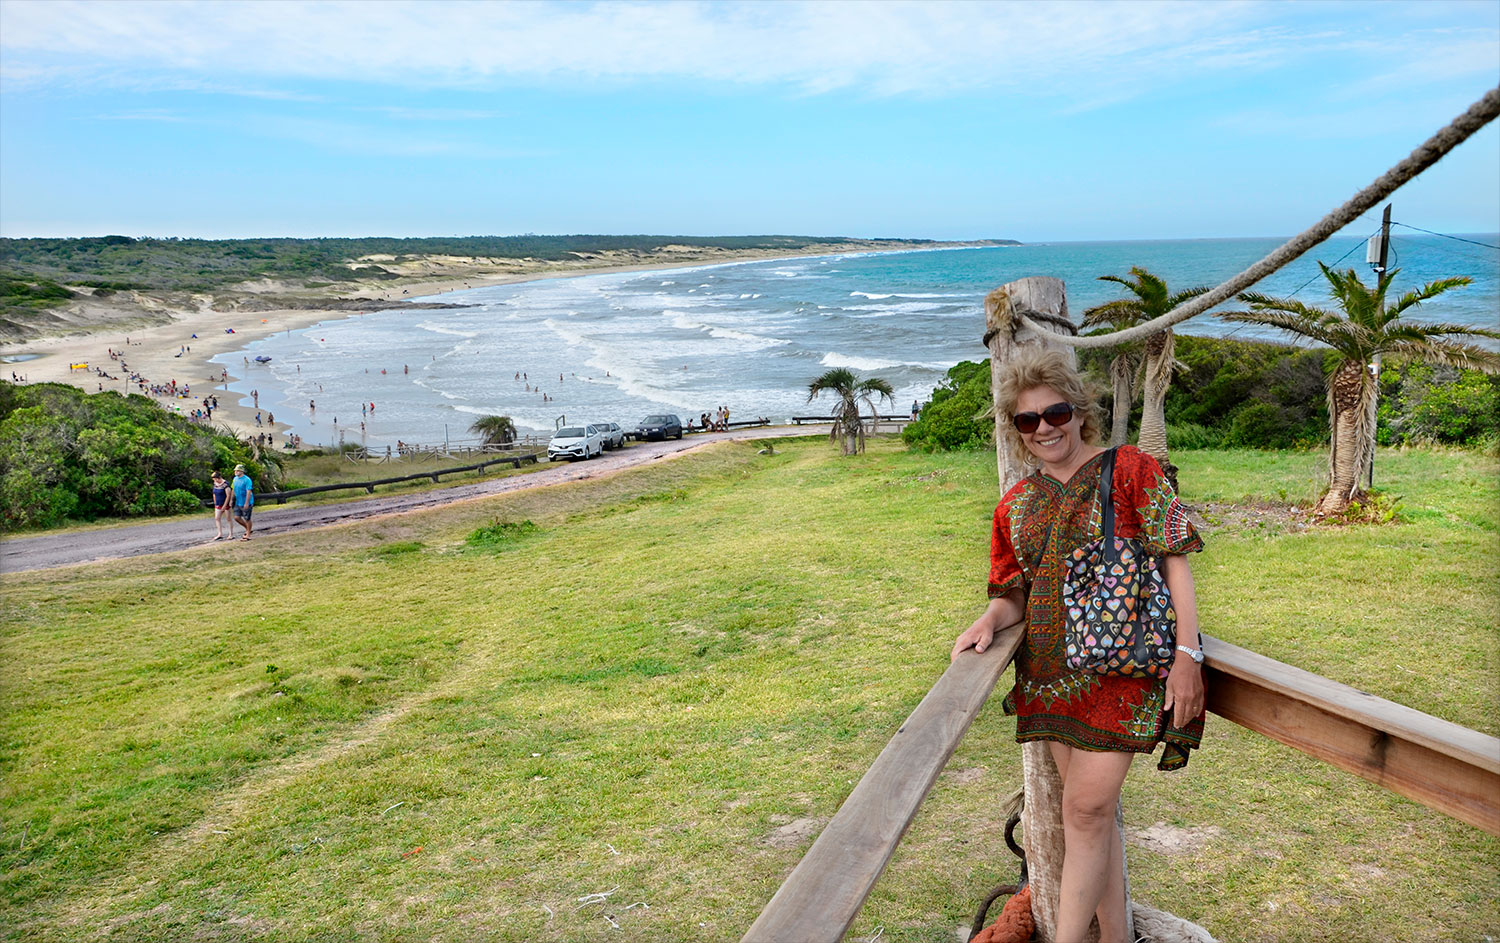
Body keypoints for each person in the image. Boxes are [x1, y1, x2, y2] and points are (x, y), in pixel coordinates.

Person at [950, 348, 1205, 943]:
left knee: (1086, 813)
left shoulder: (1132, 468)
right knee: (1090, 819)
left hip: (1125, 670)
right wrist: (989, 619)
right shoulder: (1016, 505)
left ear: (1080, 412)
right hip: (1049, 675)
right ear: (1015, 430)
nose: (1044, 428)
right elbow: (1013, 590)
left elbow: (1175, 558)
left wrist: (1188, 657)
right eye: (1027, 419)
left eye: (1055, 412)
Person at [231, 464, 255, 541]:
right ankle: (248, 529)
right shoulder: (235, 479)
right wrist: (231, 499)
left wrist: (247, 503)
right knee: (237, 517)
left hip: (246, 501)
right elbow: (233, 489)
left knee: (247, 518)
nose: (236, 472)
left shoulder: (247, 480)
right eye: (235, 470)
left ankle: (248, 535)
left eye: (238, 470)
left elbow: (249, 491)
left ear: (242, 471)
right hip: (238, 502)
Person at [210, 471, 232, 540]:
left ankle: (231, 534)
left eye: (215, 478)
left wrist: (225, 505)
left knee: (228, 518)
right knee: (217, 518)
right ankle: (220, 533)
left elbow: (228, 495)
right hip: (218, 503)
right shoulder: (215, 484)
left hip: (225, 503)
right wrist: (215, 502)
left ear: (218, 477)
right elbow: (214, 493)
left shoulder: (225, 484)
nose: (214, 480)